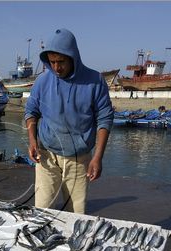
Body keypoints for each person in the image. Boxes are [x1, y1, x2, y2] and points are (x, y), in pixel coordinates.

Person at [24, 28, 114, 214]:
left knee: (76, 213)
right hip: (46, 155)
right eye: (52, 62)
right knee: (42, 209)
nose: (56, 67)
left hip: (78, 159)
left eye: (61, 62)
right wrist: (32, 140)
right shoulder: (42, 82)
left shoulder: (95, 81)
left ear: (73, 57)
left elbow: (105, 118)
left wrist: (98, 157)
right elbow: (31, 112)